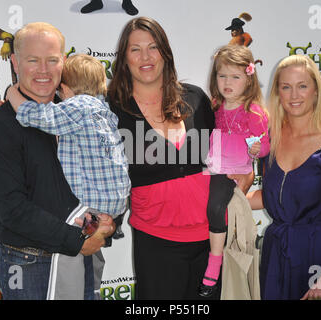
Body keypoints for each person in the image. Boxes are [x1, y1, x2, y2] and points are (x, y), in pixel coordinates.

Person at [107, 16, 254, 300]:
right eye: (135, 49)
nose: (145, 57)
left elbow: (228, 157)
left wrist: (238, 188)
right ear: (124, 58)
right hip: (156, 244)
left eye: (153, 47)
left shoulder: (196, 98)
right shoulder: (112, 109)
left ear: (165, 53)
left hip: (211, 242)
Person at [0, 22, 115, 300]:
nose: (43, 69)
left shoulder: (78, 116)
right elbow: (12, 209)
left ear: (62, 62)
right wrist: (78, 241)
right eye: (32, 60)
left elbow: (104, 179)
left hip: (81, 257)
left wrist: (102, 228)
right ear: (15, 63)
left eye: (51, 60)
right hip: (30, 267)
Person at [4, 53, 131, 299]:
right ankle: (92, 287)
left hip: (90, 203)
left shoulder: (76, 107)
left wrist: (11, 94)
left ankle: (68, 291)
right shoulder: (103, 110)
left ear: (65, 88)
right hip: (114, 203)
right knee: (92, 249)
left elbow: (35, 116)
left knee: (69, 248)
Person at [247, 54, 321, 300]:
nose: (294, 95)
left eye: (302, 86)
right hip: (276, 253)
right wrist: (229, 200)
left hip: (319, 256)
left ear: (316, 92)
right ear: (277, 93)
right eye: (286, 87)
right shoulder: (270, 139)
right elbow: (276, 197)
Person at [199, 44, 269, 297]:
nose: (227, 82)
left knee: (216, 209)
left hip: (232, 173)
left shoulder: (254, 112)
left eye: (235, 76)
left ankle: (214, 266)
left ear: (248, 80)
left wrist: (255, 148)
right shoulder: (215, 107)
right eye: (222, 76)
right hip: (212, 169)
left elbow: (262, 149)